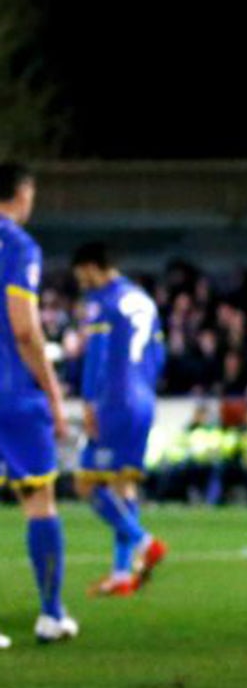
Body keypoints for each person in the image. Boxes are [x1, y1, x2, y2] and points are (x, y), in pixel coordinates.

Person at [0, 163, 75, 647]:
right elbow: (25, 329)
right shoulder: (19, 246)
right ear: (22, 194)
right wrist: (53, 392)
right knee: (39, 501)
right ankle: (50, 614)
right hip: (12, 393)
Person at [71, 243, 169, 596]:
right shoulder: (144, 299)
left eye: (81, 274)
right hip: (144, 398)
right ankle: (121, 574)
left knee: (85, 482)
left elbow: (97, 357)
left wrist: (88, 402)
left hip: (114, 398)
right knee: (122, 485)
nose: (81, 282)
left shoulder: (102, 301)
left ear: (92, 268)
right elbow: (160, 355)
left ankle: (144, 543)